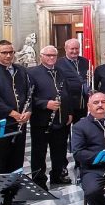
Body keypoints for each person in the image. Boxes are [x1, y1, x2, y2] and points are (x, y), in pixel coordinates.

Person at [0, 40, 32, 174]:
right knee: (0, 161)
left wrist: (29, 111)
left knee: (18, 160)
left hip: (20, 122)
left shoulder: (21, 70)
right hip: (0, 123)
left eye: (11, 52)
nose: (8, 56)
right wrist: (12, 113)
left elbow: (29, 94)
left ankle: (15, 190)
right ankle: (1, 193)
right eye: (4, 53)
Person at [28, 46, 72, 188]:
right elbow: (28, 98)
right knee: (39, 152)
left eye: (54, 55)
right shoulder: (32, 73)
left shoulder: (61, 72)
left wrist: (69, 112)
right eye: (48, 55)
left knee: (60, 150)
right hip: (41, 121)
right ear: (41, 56)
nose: (51, 58)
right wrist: (45, 103)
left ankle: (58, 175)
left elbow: (67, 93)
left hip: (61, 119)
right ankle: (39, 181)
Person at [55, 38, 91, 124]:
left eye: (77, 48)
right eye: (72, 49)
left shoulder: (85, 61)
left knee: (81, 129)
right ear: (66, 49)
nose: (75, 51)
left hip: (83, 103)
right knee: (66, 129)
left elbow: (88, 80)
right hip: (67, 104)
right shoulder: (58, 63)